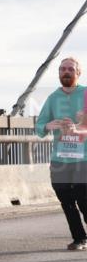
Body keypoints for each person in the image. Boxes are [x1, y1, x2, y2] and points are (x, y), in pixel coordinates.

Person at [35, 56, 87, 251]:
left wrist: (77, 130)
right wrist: (48, 125)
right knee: (66, 200)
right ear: (59, 73)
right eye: (62, 69)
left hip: (84, 158)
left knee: (83, 199)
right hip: (60, 159)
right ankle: (80, 239)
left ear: (78, 73)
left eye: (70, 69)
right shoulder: (53, 98)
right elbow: (39, 127)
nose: (66, 72)